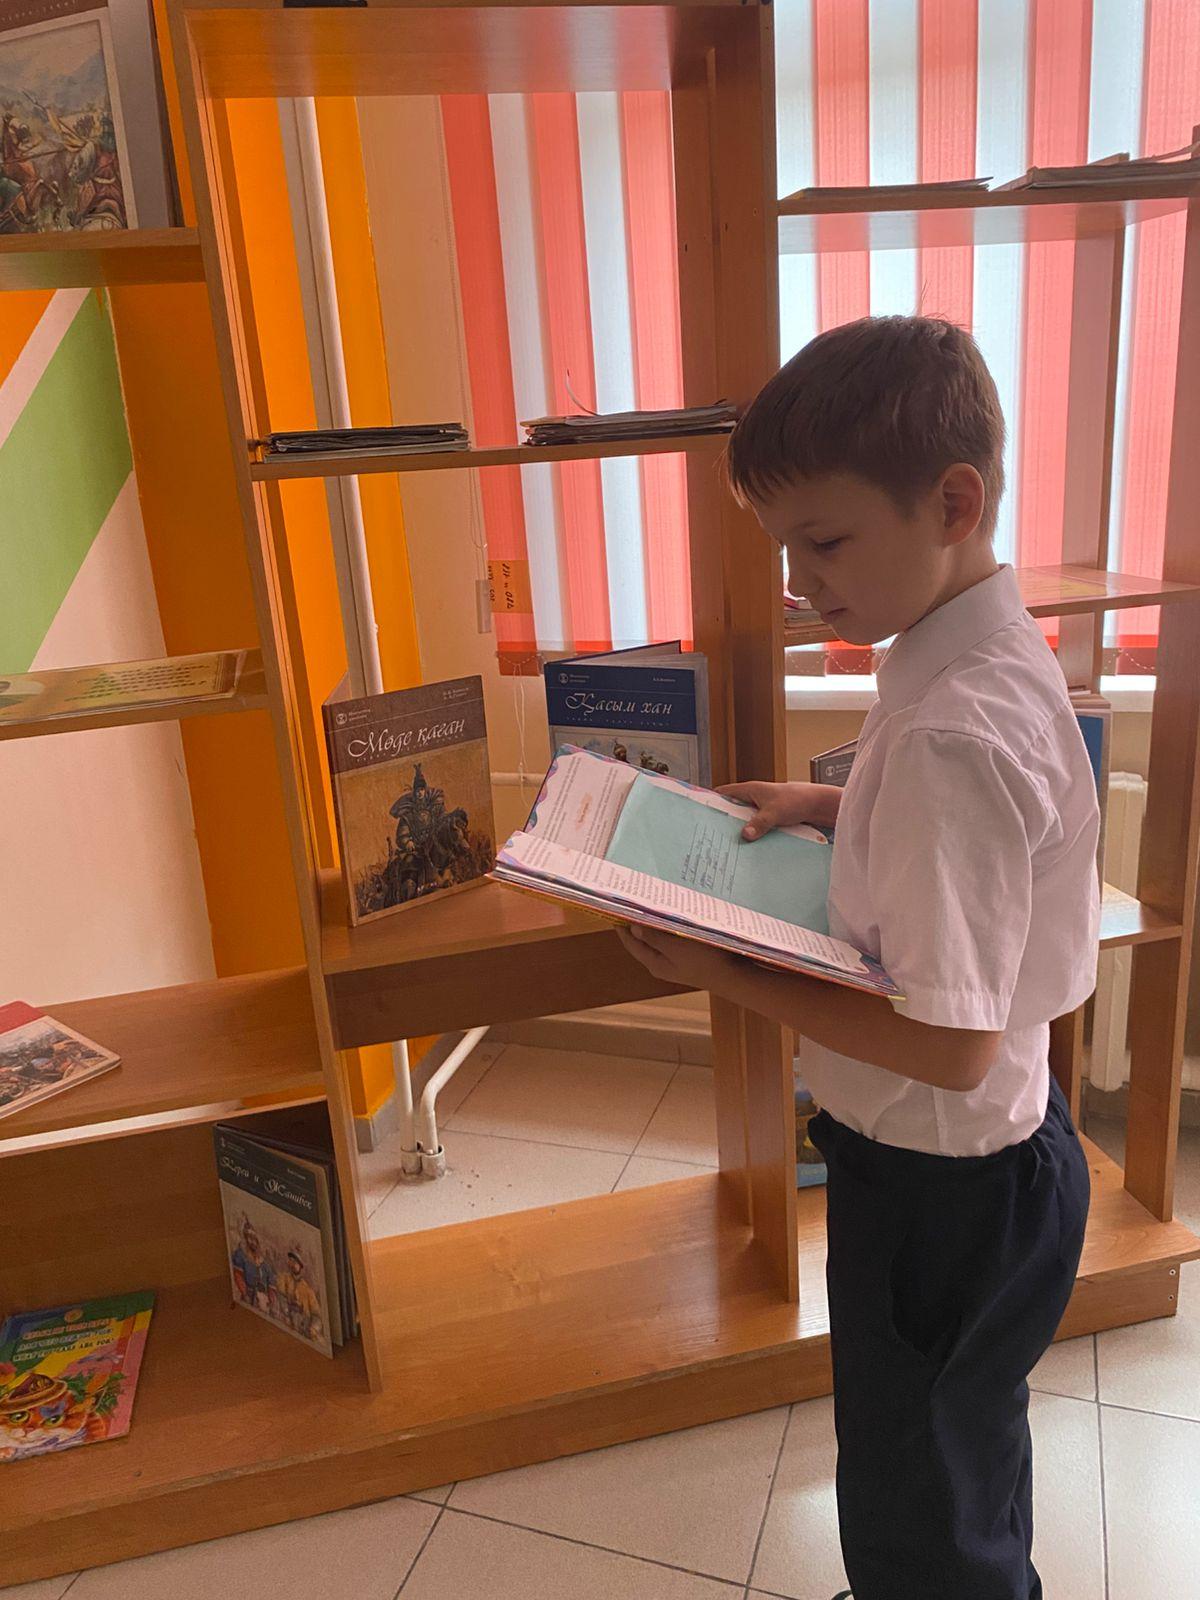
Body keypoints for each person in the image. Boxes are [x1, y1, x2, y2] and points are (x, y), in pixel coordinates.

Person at [618, 316, 1099, 1600]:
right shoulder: (981, 653)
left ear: (954, 502)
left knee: (913, 1474)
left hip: (943, 1187)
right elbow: (997, 837)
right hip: (994, 1160)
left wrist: (726, 971)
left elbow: (950, 1044)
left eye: (823, 544)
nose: (799, 581)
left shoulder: (950, 730)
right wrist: (829, 803)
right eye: (786, 547)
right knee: (957, 1448)